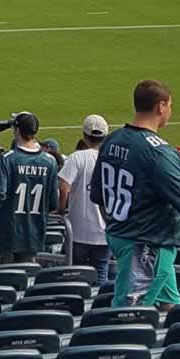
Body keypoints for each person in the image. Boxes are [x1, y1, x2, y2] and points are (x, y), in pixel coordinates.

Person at [96, 79, 180, 309]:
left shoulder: (112, 139)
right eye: (170, 105)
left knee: (169, 304)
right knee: (129, 313)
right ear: (160, 106)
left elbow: (99, 195)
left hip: (120, 233)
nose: (170, 111)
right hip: (147, 243)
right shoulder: (158, 151)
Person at [0, 113, 58, 261]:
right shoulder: (50, 162)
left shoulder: (8, 159)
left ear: (17, 130)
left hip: (8, 233)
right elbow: (53, 202)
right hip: (34, 234)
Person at [58, 114, 110, 278]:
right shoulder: (112, 158)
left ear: (84, 136)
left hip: (78, 231)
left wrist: (60, 210)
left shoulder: (77, 157)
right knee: (101, 275)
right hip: (104, 233)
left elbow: (64, 187)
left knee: (75, 276)